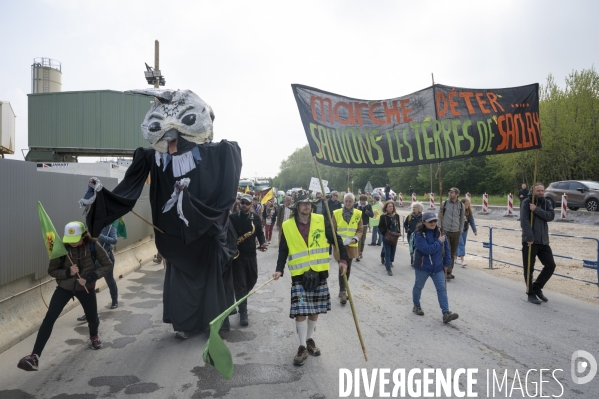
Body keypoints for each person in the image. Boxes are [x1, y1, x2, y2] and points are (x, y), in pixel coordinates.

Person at [81, 89, 241, 340]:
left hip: (205, 232)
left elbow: (226, 191)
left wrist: (208, 216)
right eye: (168, 138)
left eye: (176, 137)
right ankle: (186, 324)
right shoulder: (152, 158)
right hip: (174, 236)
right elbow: (127, 191)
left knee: (209, 279)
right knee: (182, 283)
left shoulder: (217, 153)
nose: (172, 144)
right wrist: (101, 196)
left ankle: (213, 322)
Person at [18, 222, 114, 371]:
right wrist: (68, 273)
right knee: (49, 317)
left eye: (75, 239)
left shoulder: (93, 246)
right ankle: (34, 356)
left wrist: (90, 278)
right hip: (65, 288)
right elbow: (52, 270)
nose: (72, 243)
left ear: (83, 236)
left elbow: (108, 265)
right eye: (69, 239)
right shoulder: (61, 249)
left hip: (86, 288)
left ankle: (94, 336)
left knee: (92, 317)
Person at [273, 190, 348, 366]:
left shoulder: (321, 220)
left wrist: (343, 259)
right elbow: (283, 250)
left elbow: (336, 240)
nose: (307, 206)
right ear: (296, 206)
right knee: (300, 311)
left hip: (319, 273)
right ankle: (301, 346)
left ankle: (309, 340)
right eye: (303, 203)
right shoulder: (288, 226)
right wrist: (279, 269)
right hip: (299, 275)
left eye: (309, 203)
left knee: (314, 310)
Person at [412, 212, 459, 323]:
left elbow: (447, 249)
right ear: (424, 222)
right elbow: (427, 249)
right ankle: (416, 305)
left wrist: (447, 264)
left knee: (441, 289)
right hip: (423, 266)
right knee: (418, 286)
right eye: (430, 221)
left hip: (437, 267)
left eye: (435, 221)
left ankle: (446, 313)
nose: (433, 223)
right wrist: (439, 241)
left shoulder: (441, 232)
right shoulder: (419, 235)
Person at [229, 194, 268, 327]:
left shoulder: (256, 218)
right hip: (237, 255)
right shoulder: (232, 218)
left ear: (252, 204)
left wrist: (262, 243)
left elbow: (260, 233)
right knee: (241, 284)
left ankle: (242, 298)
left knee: (252, 280)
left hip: (251, 255)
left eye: (247, 203)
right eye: (242, 203)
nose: (244, 205)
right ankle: (243, 312)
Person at [520, 183, 556, 305]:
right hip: (530, 241)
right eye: (538, 191)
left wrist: (536, 209)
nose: (541, 193)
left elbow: (550, 216)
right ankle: (530, 293)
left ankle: (537, 286)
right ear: (533, 191)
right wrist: (529, 237)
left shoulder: (547, 202)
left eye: (542, 190)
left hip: (543, 241)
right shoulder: (526, 202)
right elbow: (524, 221)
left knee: (550, 265)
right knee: (529, 268)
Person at [76, 222, 119, 322]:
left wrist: (100, 236)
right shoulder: (87, 225)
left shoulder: (110, 226)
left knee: (109, 280)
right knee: (88, 285)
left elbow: (114, 240)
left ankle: (114, 300)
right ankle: (88, 313)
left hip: (106, 258)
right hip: (91, 259)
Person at [332, 193, 362, 304]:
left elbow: (360, 230)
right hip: (340, 246)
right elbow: (333, 229)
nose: (348, 203)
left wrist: (356, 238)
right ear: (343, 202)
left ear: (354, 202)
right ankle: (343, 291)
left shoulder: (358, 214)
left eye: (350, 201)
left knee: (348, 268)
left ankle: (343, 289)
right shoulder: (336, 213)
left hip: (351, 246)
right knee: (342, 267)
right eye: (346, 201)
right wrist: (337, 241)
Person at [441, 187, 465, 280]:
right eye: (449, 192)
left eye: (452, 192)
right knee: (445, 252)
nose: (450, 194)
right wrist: (440, 229)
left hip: (456, 231)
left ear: (457, 194)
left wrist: (460, 230)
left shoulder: (461, 205)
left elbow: (462, 219)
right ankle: (444, 271)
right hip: (446, 231)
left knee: (452, 253)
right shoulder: (445, 203)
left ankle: (449, 272)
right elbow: (440, 217)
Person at [377, 200, 400, 276]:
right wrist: (385, 233)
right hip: (387, 236)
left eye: (392, 206)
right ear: (386, 208)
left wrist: (398, 233)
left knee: (393, 252)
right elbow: (380, 226)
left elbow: (398, 225)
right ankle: (388, 268)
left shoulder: (396, 216)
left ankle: (389, 261)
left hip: (394, 237)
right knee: (388, 252)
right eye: (389, 206)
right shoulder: (383, 216)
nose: (391, 207)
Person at [457, 198, 477, 267]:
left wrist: (474, 230)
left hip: (465, 230)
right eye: (466, 204)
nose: (467, 205)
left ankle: (455, 257)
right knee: (461, 243)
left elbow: (472, 221)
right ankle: (462, 260)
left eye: (468, 204)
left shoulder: (469, 212)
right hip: (458, 230)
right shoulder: (458, 211)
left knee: (462, 243)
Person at [404, 201, 424, 267]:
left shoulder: (423, 217)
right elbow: (405, 224)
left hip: (419, 236)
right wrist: (408, 230)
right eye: (413, 207)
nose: (413, 208)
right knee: (412, 248)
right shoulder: (409, 216)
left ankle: (416, 261)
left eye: (415, 207)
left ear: (419, 208)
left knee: (417, 248)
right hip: (410, 235)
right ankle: (413, 260)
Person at [354, 195, 373, 262]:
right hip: (357, 225)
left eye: (364, 201)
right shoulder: (356, 205)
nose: (363, 202)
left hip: (365, 224)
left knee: (363, 239)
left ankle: (361, 252)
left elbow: (372, 215)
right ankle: (357, 254)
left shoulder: (368, 206)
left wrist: (367, 212)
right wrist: (357, 210)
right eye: (362, 201)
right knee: (358, 239)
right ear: (360, 200)